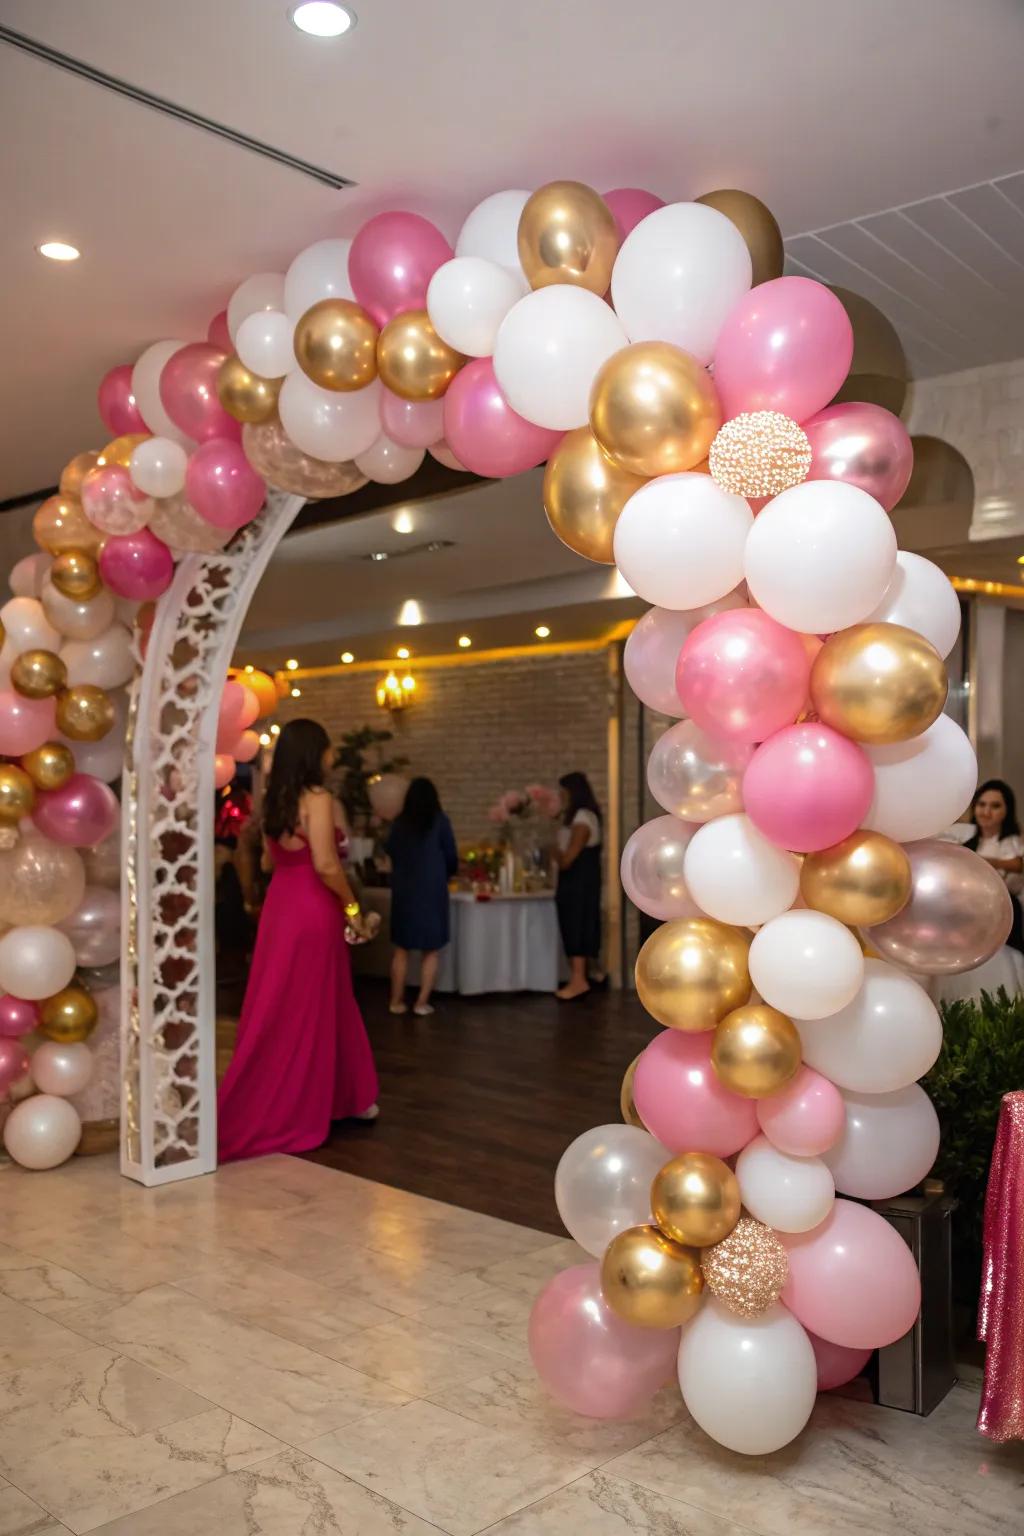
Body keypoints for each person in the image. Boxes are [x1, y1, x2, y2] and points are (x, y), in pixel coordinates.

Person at [218, 719, 379, 1161]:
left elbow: (270, 864)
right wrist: (353, 910)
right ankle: (312, 1103)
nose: (331, 757)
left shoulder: (275, 802)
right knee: (317, 1002)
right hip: (313, 908)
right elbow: (327, 865)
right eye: (327, 749)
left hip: (280, 909)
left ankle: (346, 1096)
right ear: (315, 752)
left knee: (282, 1004)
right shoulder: (318, 798)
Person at [387, 777, 458, 1016]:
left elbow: (391, 851)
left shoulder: (399, 823)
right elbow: (451, 856)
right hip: (432, 890)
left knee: (401, 949)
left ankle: (396, 1001)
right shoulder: (440, 822)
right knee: (431, 949)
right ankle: (421, 1003)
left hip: (404, 890)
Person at [553, 770, 602, 1001]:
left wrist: (553, 852)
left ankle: (579, 979)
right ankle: (580, 976)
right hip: (579, 882)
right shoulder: (580, 816)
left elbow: (567, 859)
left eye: (564, 792)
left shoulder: (583, 818)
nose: (561, 797)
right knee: (576, 924)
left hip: (578, 883)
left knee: (577, 925)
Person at [966, 778, 1024, 952]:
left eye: (995, 806)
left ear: (1007, 810)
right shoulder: (966, 842)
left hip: (1007, 913)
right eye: (981, 804)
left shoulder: (1016, 842)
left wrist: (985, 862)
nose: (986, 811)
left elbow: (1018, 865)